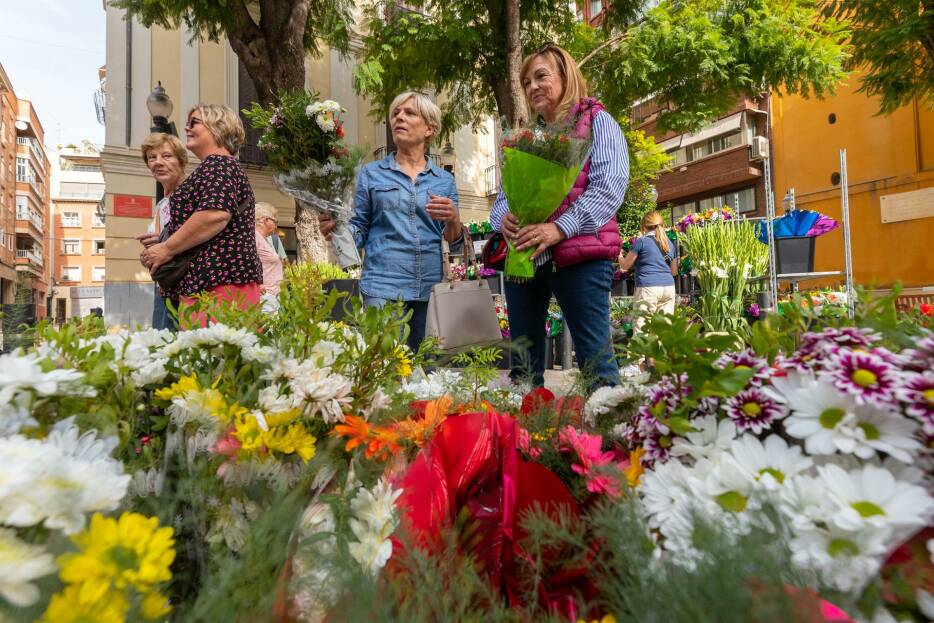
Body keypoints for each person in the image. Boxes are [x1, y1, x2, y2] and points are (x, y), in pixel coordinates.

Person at [489, 43, 629, 388]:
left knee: (596, 361)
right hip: (526, 257)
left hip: (580, 256)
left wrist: (559, 228)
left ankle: (610, 431)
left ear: (565, 76)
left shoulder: (599, 122)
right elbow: (503, 197)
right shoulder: (525, 139)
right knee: (523, 364)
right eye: (526, 82)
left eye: (541, 77)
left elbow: (609, 187)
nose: (532, 87)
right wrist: (503, 217)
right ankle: (524, 435)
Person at [321, 91, 461, 353]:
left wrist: (454, 218)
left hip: (429, 288)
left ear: (429, 128)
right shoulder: (371, 174)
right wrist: (338, 229)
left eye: (409, 113)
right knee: (385, 369)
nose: (399, 118)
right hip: (382, 287)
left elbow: (452, 239)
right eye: (395, 113)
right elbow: (360, 227)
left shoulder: (444, 181)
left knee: (426, 371)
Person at [140, 104, 262, 326]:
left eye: (194, 123)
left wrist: (166, 249)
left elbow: (213, 215)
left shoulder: (218, 164)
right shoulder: (218, 166)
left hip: (219, 283)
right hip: (214, 281)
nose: (187, 128)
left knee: (212, 355)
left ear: (218, 127)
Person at [136, 133, 188, 330]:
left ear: (181, 161)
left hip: (185, 290)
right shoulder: (161, 204)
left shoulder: (189, 194)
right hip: (163, 288)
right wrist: (147, 256)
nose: (158, 162)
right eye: (152, 157)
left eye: (166, 156)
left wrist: (166, 243)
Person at [618, 210, 679, 331]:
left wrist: (619, 255)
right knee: (664, 329)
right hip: (668, 288)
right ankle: (663, 350)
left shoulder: (641, 242)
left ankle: (640, 351)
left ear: (644, 226)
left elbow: (625, 266)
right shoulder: (670, 244)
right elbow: (674, 272)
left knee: (642, 328)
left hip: (648, 288)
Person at [255, 202, 284, 295]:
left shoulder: (264, 239)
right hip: (264, 296)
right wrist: (257, 284)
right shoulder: (254, 236)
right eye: (275, 222)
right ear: (266, 220)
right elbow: (244, 260)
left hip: (271, 296)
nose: (276, 226)